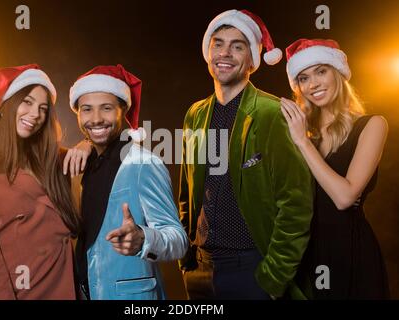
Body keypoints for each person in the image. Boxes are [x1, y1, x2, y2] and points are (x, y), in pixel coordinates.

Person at [178, 9, 314, 300]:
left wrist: (272, 279)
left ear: (252, 60)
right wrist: (186, 260)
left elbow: (296, 204)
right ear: (208, 51)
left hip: (252, 272)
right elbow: (187, 193)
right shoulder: (195, 113)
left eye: (237, 46)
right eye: (218, 43)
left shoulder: (272, 112)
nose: (225, 53)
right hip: (199, 271)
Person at [0, 64, 80, 299]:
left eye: (43, 108)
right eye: (28, 102)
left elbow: (99, 153)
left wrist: (87, 145)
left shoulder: (52, 160)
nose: (35, 114)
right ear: (8, 104)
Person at [281, 38, 390, 299]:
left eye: (321, 71)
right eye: (304, 78)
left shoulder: (372, 125)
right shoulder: (305, 133)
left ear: (338, 73)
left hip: (350, 251)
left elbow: (344, 197)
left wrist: (302, 142)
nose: (313, 84)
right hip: (305, 253)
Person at [67, 64, 188, 300]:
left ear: (123, 110)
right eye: (87, 109)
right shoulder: (83, 163)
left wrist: (144, 238)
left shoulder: (144, 163)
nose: (96, 119)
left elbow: (178, 239)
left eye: (107, 108)